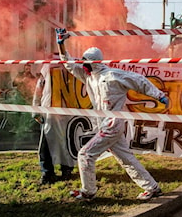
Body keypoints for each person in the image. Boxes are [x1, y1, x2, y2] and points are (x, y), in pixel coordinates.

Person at [56, 28, 170, 201]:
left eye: (85, 61)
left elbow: (138, 80)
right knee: (126, 158)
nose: (82, 64)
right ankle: (152, 187)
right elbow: (69, 64)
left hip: (112, 125)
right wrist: (61, 45)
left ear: (93, 62)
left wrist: (158, 95)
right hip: (105, 124)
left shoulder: (113, 75)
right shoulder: (89, 76)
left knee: (85, 154)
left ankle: (89, 191)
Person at [32, 54, 76, 185]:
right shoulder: (71, 66)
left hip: (51, 111)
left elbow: (38, 90)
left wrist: (35, 110)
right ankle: (65, 170)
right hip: (66, 111)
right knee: (66, 142)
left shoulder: (47, 67)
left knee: (47, 144)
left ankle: (48, 172)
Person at [11, 63, 37, 133]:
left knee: (28, 113)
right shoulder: (20, 75)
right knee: (17, 112)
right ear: (24, 68)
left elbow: (35, 86)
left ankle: (26, 127)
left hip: (27, 97)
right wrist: (21, 81)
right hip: (19, 96)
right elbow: (13, 84)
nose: (27, 69)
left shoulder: (32, 77)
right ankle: (16, 128)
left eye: (29, 68)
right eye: (26, 68)